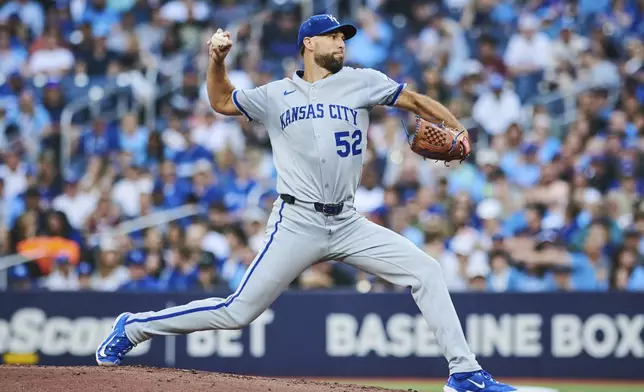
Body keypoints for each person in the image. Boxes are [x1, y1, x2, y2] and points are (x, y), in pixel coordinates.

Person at [95, 14, 515, 392]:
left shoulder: (362, 80)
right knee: (237, 312)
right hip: (297, 221)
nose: (341, 43)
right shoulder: (276, 94)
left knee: (426, 269)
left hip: (349, 222)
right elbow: (222, 102)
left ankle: (465, 373)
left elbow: (416, 101)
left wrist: (457, 128)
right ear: (308, 44)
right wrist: (217, 61)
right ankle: (133, 328)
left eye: (343, 38)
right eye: (333, 37)